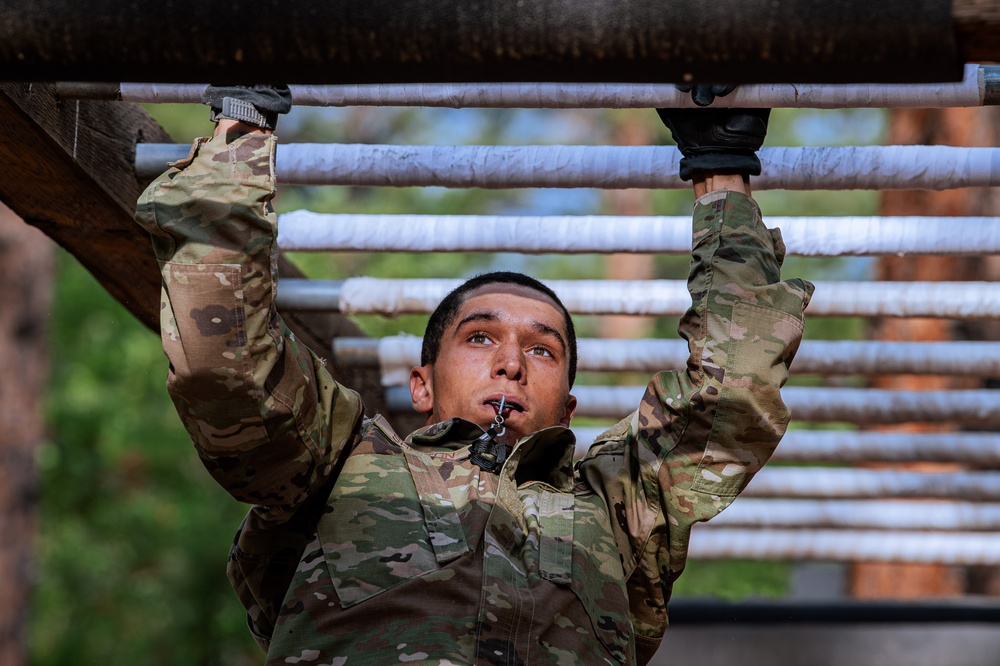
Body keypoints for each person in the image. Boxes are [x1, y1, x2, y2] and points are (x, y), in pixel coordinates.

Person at [134, 85, 813, 665]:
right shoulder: (339, 462)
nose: (511, 361)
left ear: (569, 405)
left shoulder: (617, 504)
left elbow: (733, 392)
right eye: (480, 336)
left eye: (542, 350)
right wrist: (243, 121)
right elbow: (226, 364)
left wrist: (721, 174)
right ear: (420, 383)